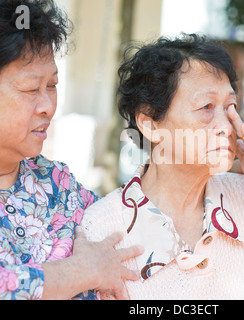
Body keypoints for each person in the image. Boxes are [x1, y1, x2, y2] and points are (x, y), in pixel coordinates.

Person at [80, 33, 244, 300]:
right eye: (207, 107)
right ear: (150, 124)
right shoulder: (104, 228)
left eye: (231, 106)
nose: (226, 126)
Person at [0, 0, 143, 300]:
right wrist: (82, 271)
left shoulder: (58, 184)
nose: (48, 107)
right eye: (30, 89)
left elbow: (135, 231)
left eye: (52, 85)